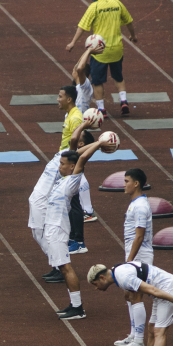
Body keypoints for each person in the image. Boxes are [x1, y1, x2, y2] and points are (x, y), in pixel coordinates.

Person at [44, 141, 102, 320]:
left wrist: (99, 142)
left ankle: (77, 308)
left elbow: (82, 157)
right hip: (53, 227)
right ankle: (74, 304)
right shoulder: (63, 180)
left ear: (72, 167)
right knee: (63, 268)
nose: (59, 166)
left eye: (62, 164)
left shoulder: (72, 181)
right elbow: (77, 151)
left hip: (58, 229)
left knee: (65, 267)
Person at [66, 0, 137, 118]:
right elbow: (129, 21)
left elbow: (82, 26)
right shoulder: (117, 4)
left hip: (99, 51)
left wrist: (73, 42)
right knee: (118, 76)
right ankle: (123, 101)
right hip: (117, 48)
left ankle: (101, 110)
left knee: (97, 81)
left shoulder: (94, 7)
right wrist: (133, 36)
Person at [115, 168, 153, 346]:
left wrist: (130, 261)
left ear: (136, 183)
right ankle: (133, 334)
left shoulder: (140, 207)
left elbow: (139, 236)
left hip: (139, 256)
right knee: (128, 295)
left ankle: (138, 341)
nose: (124, 184)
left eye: (127, 181)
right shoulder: (136, 203)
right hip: (134, 255)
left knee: (136, 295)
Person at [71, 47, 101, 226]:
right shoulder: (77, 88)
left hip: (79, 133)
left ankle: (88, 210)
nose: (74, 70)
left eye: (75, 68)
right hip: (75, 132)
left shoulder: (84, 86)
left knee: (78, 169)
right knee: (76, 168)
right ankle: (84, 208)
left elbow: (81, 68)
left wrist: (88, 50)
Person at [56, 86, 86, 254]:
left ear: (69, 99)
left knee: (73, 204)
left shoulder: (75, 118)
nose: (57, 99)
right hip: (68, 163)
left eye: (60, 96)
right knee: (69, 202)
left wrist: (71, 165)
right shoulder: (70, 115)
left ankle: (78, 241)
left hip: (72, 164)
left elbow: (78, 143)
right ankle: (74, 238)